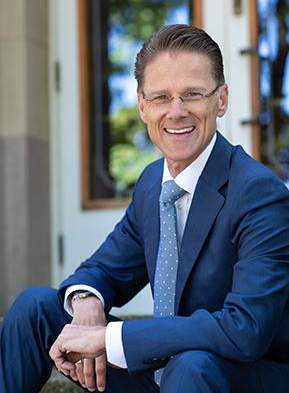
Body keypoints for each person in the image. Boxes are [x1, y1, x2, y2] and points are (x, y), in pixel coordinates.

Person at [1, 24, 289, 393]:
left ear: (221, 100)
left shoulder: (259, 194)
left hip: (236, 377)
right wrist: (88, 299)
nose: (176, 112)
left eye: (193, 94)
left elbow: (245, 330)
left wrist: (109, 338)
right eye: (160, 97)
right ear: (141, 105)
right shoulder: (153, 183)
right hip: (161, 373)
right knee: (35, 308)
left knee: (192, 365)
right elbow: (104, 268)